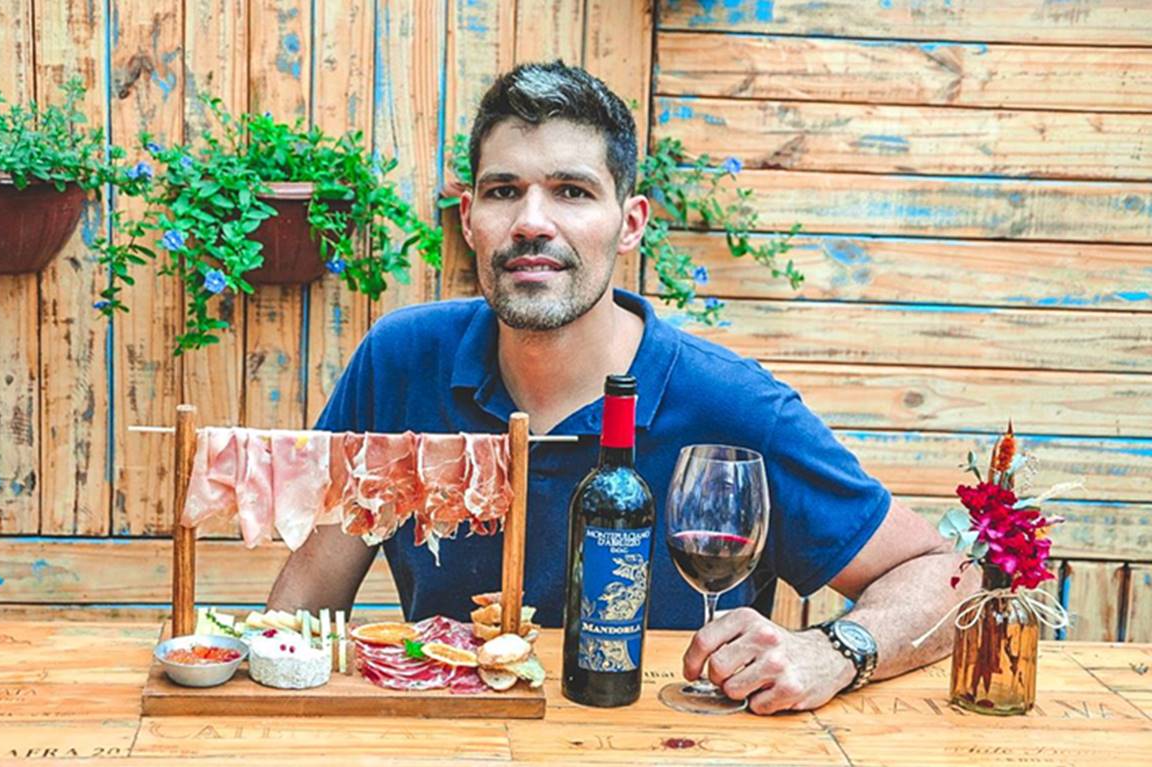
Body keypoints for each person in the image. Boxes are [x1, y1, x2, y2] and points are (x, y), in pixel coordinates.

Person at [268, 61, 977, 714]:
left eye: (572, 191)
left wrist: (833, 650)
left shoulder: (732, 404)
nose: (532, 222)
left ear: (630, 222)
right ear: (470, 221)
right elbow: (308, 590)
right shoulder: (401, 360)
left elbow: (947, 573)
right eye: (503, 191)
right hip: (454, 738)